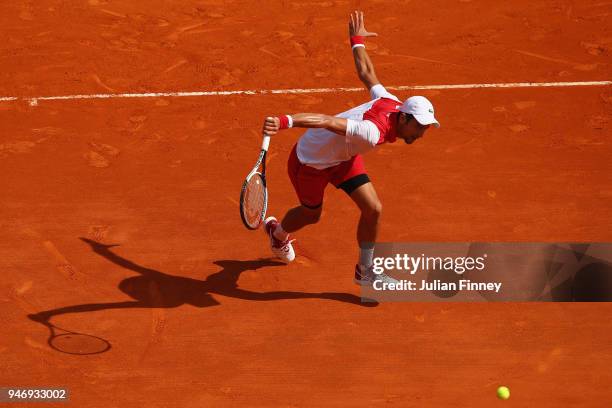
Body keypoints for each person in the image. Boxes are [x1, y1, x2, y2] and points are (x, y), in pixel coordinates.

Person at [261, 11, 439, 285]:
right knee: (311, 215)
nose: (423, 133)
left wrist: (357, 40)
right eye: (420, 127)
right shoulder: (371, 132)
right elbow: (327, 121)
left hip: (344, 156)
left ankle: (365, 272)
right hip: (311, 161)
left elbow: (367, 73)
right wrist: (286, 121)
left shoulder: (391, 102)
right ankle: (278, 233)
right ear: (404, 118)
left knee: (373, 209)